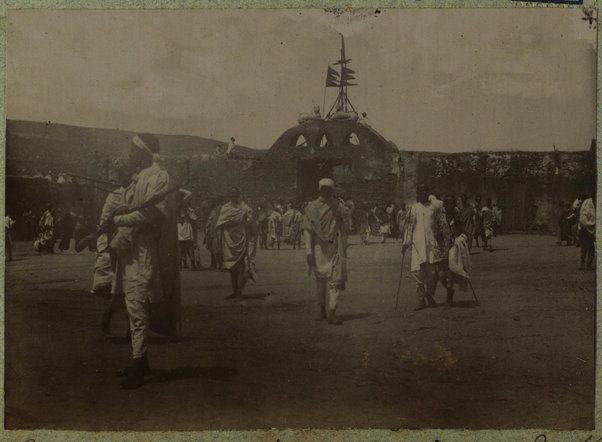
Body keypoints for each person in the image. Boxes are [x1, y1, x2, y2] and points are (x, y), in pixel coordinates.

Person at [110, 133, 171, 389]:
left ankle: (139, 365)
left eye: (134, 150)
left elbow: (150, 215)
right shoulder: (142, 176)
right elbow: (134, 207)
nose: (131, 154)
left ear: (144, 152)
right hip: (130, 250)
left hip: (143, 250)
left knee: (137, 306)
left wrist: (119, 219)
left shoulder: (158, 175)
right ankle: (141, 360)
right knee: (132, 305)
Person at [303, 178, 348, 325]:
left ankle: (332, 312)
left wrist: (344, 246)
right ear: (320, 190)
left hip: (334, 247)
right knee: (320, 280)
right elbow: (308, 231)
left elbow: (343, 226)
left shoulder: (337, 206)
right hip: (318, 249)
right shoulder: (311, 207)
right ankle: (322, 310)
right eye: (324, 188)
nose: (327, 191)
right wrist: (309, 252)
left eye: (329, 189)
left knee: (335, 280)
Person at [402, 184, 453, 310]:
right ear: (418, 192)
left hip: (431, 246)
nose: (423, 193)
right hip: (417, 246)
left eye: (426, 190)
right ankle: (421, 300)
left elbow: (442, 218)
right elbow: (409, 227)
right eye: (421, 190)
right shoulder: (413, 208)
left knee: (432, 275)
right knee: (418, 274)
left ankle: (429, 295)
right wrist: (405, 242)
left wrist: (443, 236)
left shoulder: (434, 207)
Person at [216, 187, 256, 301]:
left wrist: (245, 221)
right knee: (232, 268)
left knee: (240, 267)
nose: (234, 196)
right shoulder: (225, 208)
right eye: (231, 194)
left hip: (241, 240)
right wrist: (236, 221)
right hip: (229, 240)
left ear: (239, 195)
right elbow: (220, 224)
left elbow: (250, 223)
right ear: (229, 195)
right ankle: (234, 292)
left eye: (236, 194)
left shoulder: (245, 209)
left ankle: (239, 293)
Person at [204, 197, 223, 270]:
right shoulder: (217, 209)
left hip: (216, 231)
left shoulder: (217, 210)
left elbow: (209, 220)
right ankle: (214, 264)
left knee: (216, 248)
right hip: (214, 231)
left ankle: (217, 265)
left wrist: (206, 228)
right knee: (214, 248)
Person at [578, 195, 595, 270]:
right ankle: (583, 264)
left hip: (592, 229)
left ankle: (588, 264)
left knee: (591, 248)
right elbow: (583, 219)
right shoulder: (587, 203)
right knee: (584, 248)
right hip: (585, 229)